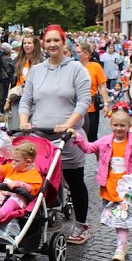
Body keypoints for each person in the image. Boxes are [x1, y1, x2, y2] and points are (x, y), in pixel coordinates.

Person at [18, 24, 91, 245]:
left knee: (74, 181)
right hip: (40, 136)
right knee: (37, 182)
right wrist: (23, 122)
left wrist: (68, 125)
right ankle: (37, 222)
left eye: (56, 41)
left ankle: (81, 225)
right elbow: (26, 99)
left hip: (67, 137)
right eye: (48, 41)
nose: (52, 45)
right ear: (43, 43)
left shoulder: (77, 69)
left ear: (63, 42)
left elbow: (84, 101)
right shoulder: (37, 70)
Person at [71, 107, 132, 261]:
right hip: (110, 188)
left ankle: (120, 248)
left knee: (123, 220)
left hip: (128, 190)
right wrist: (77, 138)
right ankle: (123, 244)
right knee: (116, 219)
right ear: (111, 125)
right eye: (116, 125)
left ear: (129, 126)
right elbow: (89, 148)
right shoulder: (105, 141)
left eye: (122, 126)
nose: (119, 129)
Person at [0, 141, 42, 227]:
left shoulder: (33, 175)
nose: (13, 163)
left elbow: (33, 189)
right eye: (13, 160)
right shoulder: (12, 167)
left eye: (17, 161)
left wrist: (20, 184)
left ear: (28, 162)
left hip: (18, 200)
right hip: (4, 194)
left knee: (16, 197)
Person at [77, 42, 109, 142]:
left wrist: (106, 104)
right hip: (76, 107)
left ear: (86, 54)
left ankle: (100, 157)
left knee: (92, 138)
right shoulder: (74, 66)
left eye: (79, 52)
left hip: (91, 107)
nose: (76, 54)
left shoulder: (95, 66)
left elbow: (102, 86)